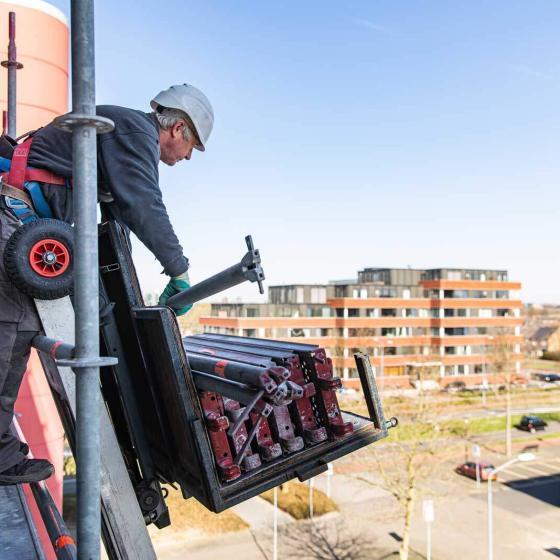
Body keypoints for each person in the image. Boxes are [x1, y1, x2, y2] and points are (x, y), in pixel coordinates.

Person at [0, 83, 213, 485]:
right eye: (191, 148)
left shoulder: (119, 136)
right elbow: (143, 203)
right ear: (178, 129)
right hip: (11, 212)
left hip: (24, 218)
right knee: (15, 328)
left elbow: (118, 225)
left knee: (22, 325)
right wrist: (178, 268)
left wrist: (114, 306)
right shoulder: (135, 132)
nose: (186, 158)